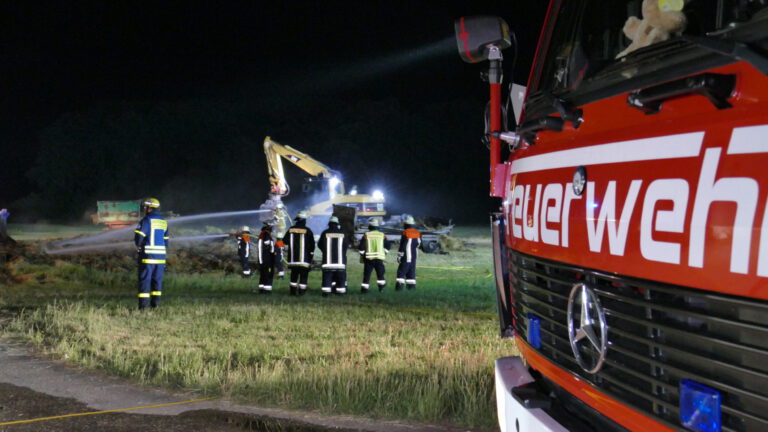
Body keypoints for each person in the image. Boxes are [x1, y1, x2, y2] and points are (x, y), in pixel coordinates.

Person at [134, 197, 169, 309]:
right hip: (161, 258)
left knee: (145, 280)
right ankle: (155, 305)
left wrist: (139, 246)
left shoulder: (146, 220)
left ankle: (144, 307)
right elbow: (166, 241)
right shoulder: (163, 222)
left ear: (150, 208)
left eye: (145, 207)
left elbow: (139, 238)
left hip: (148, 257)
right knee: (157, 281)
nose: (144, 209)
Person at [318, 216, 349, 297]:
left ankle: (326, 293)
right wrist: (342, 253)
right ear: (337, 224)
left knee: (327, 277)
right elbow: (346, 245)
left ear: (329, 224)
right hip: (340, 263)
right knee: (340, 278)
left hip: (327, 263)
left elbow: (320, 245)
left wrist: (325, 251)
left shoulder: (325, 233)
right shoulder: (343, 233)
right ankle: (340, 293)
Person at [285, 210, 315, 295]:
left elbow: (284, 241)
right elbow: (312, 245)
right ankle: (302, 293)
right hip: (304, 260)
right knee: (303, 277)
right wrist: (310, 256)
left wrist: (277, 245)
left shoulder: (291, 230)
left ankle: (292, 292)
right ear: (304, 220)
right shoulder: (308, 230)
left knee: (293, 276)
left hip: (293, 260)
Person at [358, 218, 390, 293]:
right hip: (379, 258)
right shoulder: (382, 235)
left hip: (369, 259)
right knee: (380, 274)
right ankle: (381, 288)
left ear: (369, 226)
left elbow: (361, 248)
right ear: (377, 226)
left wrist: (362, 254)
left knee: (367, 275)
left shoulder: (366, 235)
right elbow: (388, 246)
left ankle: (364, 290)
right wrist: (384, 252)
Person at [396, 215, 421, 291]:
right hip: (414, 256)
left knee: (401, 272)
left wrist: (399, 256)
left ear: (406, 224)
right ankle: (411, 288)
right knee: (411, 273)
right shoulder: (417, 233)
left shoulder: (405, 232)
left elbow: (402, 246)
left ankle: (399, 289)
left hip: (406, 257)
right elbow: (419, 243)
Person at [257, 222, 277, 294]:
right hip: (267, 258)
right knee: (268, 274)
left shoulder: (262, 233)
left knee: (263, 274)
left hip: (262, 258)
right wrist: (273, 249)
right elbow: (267, 243)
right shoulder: (266, 234)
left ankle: (261, 289)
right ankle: (267, 290)